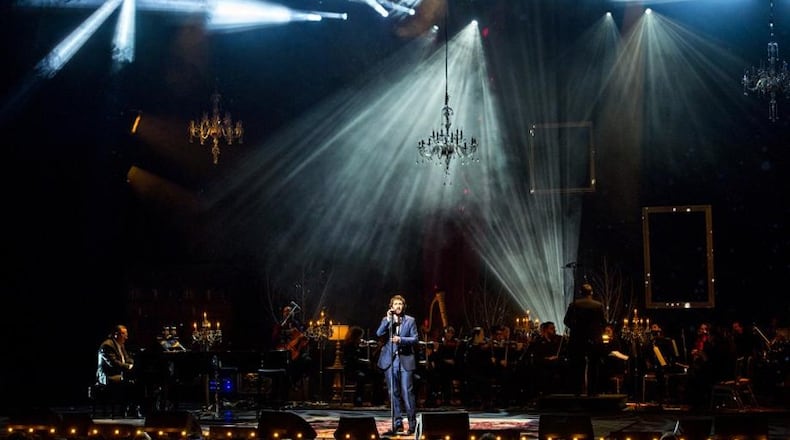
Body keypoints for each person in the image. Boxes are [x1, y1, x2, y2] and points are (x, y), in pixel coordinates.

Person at [376, 294, 418, 435]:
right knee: (393, 393)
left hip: (405, 360)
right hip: (390, 360)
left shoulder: (410, 321)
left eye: (400, 304)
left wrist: (401, 339)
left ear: (403, 306)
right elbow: (379, 333)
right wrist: (388, 320)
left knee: (407, 392)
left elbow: (415, 339)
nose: (398, 306)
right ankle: (397, 424)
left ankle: (412, 424)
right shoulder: (386, 320)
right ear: (391, 307)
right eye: (395, 304)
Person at [563, 283, 607, 396]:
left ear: (580, 293)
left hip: (578, 338)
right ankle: (592, 391)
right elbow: (603, 322)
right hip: (594, 339)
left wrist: (576, 328)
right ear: (591, 292)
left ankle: (577, 391)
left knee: (578, 365)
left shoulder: (573, 305)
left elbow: (566, 321)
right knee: (594, 365)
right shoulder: (598, 305)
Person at [96, 324, 143, 417]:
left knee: (139, 381)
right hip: (108, 375)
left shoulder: (121, 345)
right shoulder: (107, 345)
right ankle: (131, 408)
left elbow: (127, 358)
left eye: (126, 334)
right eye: (124, 334)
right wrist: (129, 367)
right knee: (130, 383)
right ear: (116, 334)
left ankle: (134, 408)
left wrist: (134, 363)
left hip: (120, 373)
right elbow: (114, 364)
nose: (126, 337)